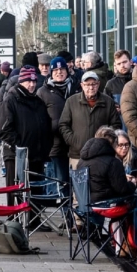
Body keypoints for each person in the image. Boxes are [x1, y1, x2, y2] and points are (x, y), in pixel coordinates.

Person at [0, 65, 54, 218]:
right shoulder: (11, 99)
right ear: (21, 81)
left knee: (35, 190)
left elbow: (45, 124)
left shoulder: (37, 101)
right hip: (16, 154)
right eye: (28, 81)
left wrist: (45, 145)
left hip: (36, 153)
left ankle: (35, 220)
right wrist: (19, 146)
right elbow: (4, 129)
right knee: (14, 188)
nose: (31, 84)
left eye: (34, 81)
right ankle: (13, 217)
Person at [59, 71, 122, 168]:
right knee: (79, 183)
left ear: (98, 84)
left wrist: (105, 142)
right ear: (82, 85)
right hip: (77, 155)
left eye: (94, 84)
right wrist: (74, 141)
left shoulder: (108, 101)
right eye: (87, 84)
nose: (91, 87)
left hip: (102, 155)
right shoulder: (71, 101)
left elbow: (116, 125)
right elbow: (63, 125)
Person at [38, 57, 80, 188]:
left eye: (62, 69)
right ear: (51, 72)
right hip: (56, 144)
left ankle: (74, 206)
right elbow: (39, 119)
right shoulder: (43, 92)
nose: (59, 72)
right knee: (61, 180)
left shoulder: (76, 87)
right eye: (55, 70)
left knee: (78, 179)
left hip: (76, 142)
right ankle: (63, 207)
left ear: (67, 71)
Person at [77, 128, 136, 203]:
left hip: (85, 205)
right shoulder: (113, 162)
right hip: (106, 205)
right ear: (113, 144)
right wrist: (133, 184)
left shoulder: (81, 160)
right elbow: (122, 190)